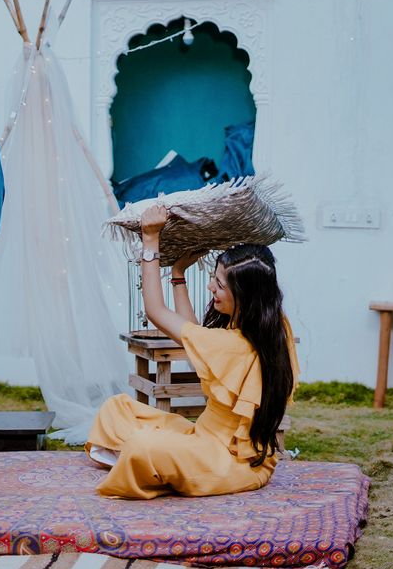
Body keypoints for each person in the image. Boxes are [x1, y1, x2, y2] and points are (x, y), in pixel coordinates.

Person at [86, 204, 299, 499]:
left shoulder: (234, 345)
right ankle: (151, 461)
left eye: (219, 284)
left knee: (143, 446)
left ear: (245, 296)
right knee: (117, 409)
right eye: (214, 277)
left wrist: (151, 240)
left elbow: (156, 311)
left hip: (229, 460)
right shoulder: (274, 326)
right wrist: (177, 275)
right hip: (202, 437)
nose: (211, 286)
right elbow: (194, 336)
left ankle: (145, 460)